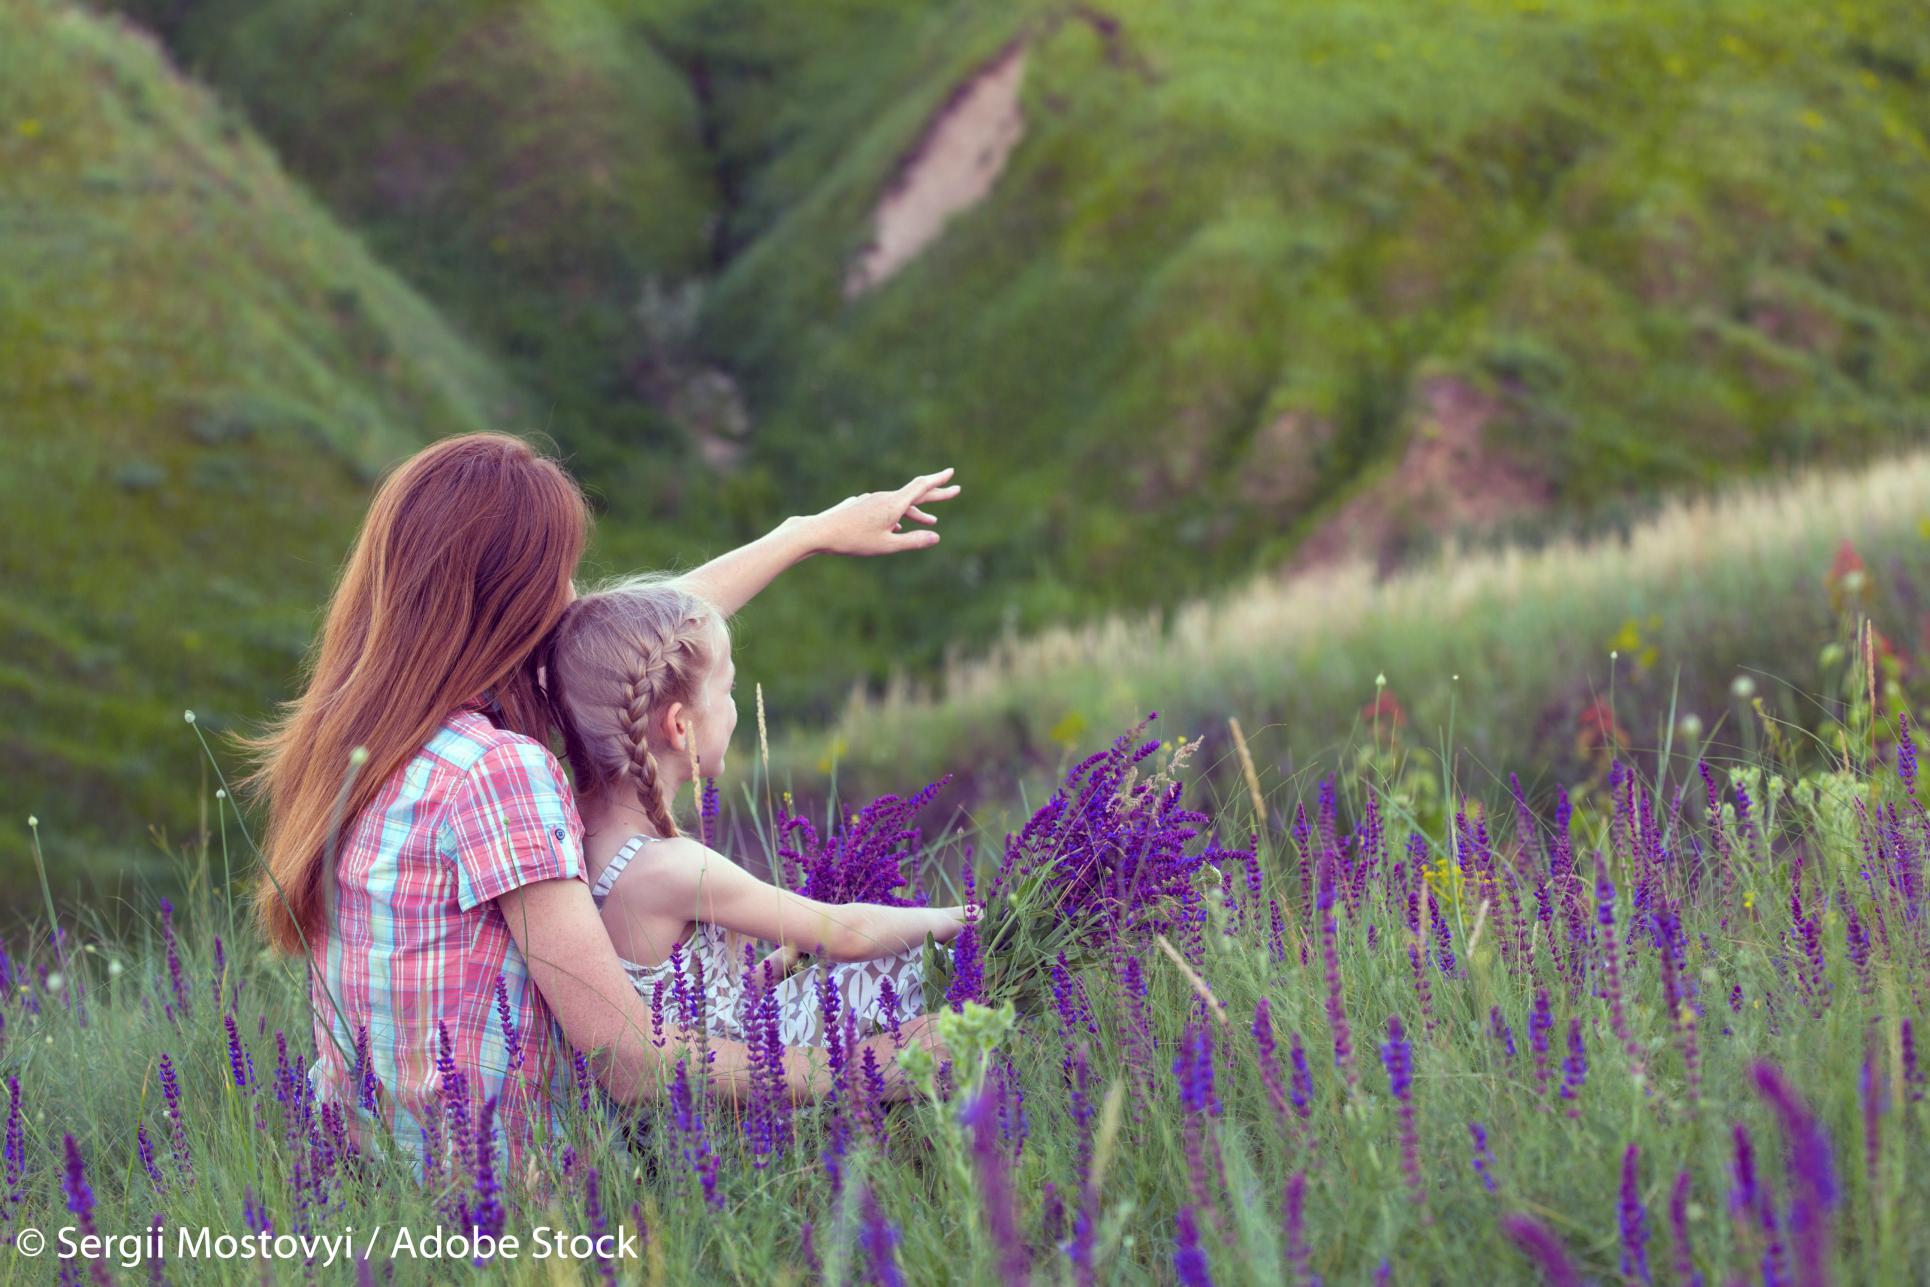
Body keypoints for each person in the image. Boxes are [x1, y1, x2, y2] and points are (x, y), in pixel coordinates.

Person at [236, 431, 962, 1171]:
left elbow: (634, 655)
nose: (576, 598)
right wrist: (873, 1065)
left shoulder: (367, 735)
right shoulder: (497, 771)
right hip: (509, 1195)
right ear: (508, 602)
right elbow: (627, 1058)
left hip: (367, 1173)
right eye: (563, 576)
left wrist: (802, 536)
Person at [542, 574, 975, 1047]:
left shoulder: (579, 842)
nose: (734, 708)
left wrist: (781, 965)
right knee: (928, 965)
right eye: (727, 690)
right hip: (724, 1089)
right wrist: (966, 916)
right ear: (679, 727)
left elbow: (691, 1009)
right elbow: (849, 933)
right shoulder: (672, 868)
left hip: (692, 1079)